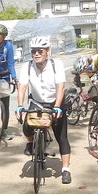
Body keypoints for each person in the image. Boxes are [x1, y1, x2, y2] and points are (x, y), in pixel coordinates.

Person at [15, 37, 73, 184]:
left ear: (48, 51)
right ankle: (32, 142)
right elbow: (22, 86)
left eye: (40, 51)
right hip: (36, 103)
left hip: (54, 102)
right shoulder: (27, 66)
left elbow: (61, 87)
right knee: (26, 128)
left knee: (61, 137)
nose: (36, 54)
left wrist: (57, 106)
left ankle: (66, 169)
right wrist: (20, 105)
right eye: (33, 51)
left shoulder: (56, 65)